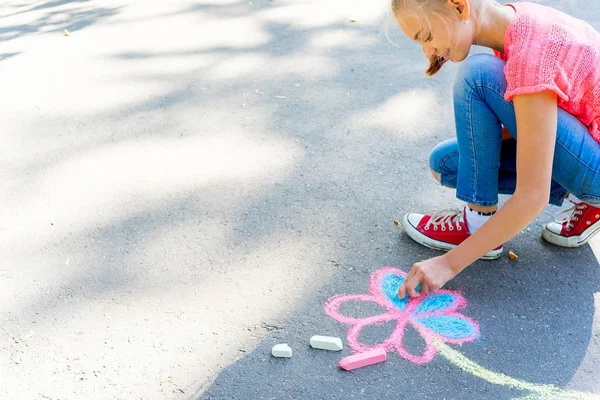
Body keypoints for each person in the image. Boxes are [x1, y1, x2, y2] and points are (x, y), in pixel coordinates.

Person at [390, 0, 600, 298]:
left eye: (426, 37)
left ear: (459, 7)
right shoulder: (513, 24)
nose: (428, 51)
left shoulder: (532, 52)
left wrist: (447, 265)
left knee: (479, 77)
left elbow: (532, 196)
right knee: (447, 163)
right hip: (587, 144)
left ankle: (477, 224)